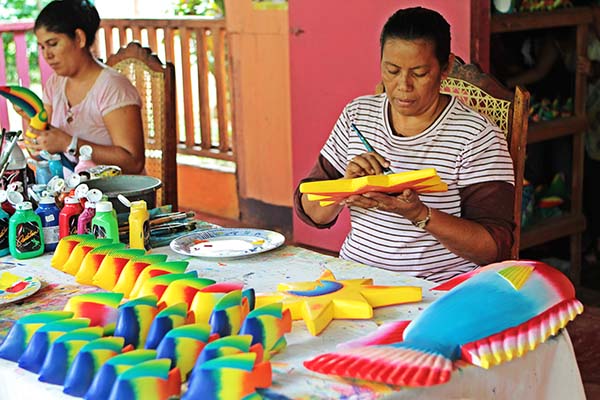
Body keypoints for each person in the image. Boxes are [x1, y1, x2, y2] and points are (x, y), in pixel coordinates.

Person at [294, 7, 515, 282]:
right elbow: (310, 210)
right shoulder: (358, 115)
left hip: (435, 289)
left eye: (419, 73)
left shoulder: (476, 136)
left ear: (445, 67)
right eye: (392, 70)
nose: (403, 86)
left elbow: (493, 248)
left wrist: (420, 214)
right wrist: (344, 188)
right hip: (355, 279)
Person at [17, 0, 145, 174]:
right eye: (42, 47)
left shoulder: (113, 87)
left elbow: (133, 162)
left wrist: (68, 144)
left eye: (53, 44)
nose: (47, 55)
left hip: (114, 195)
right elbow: (43, 151)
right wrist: (33, 126)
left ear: (79, 38)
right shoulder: (55, 84)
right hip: (70, 191)